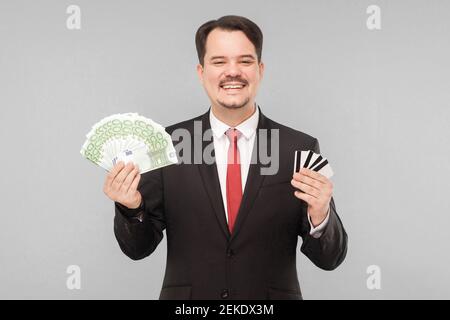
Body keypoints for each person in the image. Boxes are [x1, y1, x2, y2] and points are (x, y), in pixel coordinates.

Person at [103, 15, 347, 300]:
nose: (233, 72)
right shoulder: (167, 146)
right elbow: (137, 249)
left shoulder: (298, 147)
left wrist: (320, 214)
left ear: (260, 69)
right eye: (219, 62)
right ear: (201, 71)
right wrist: (132, 208)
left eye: (245, 61)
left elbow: (330, 258)